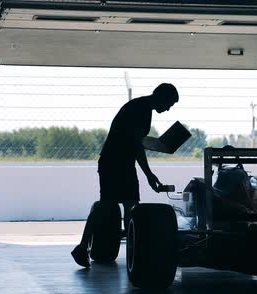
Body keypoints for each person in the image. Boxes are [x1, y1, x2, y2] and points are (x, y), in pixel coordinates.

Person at [71, 83, 179, 267]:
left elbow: (135, 140)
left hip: (118, 162)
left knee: (118, 204)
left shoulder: (140, 107)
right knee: (116, 205)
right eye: (169, 103)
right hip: (116, 163)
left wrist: (157, 148)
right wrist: (149, 174)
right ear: (160, 96)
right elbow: (137, 145)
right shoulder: (141, 110)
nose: (168, 109)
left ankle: (125, 248)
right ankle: (127, 249)